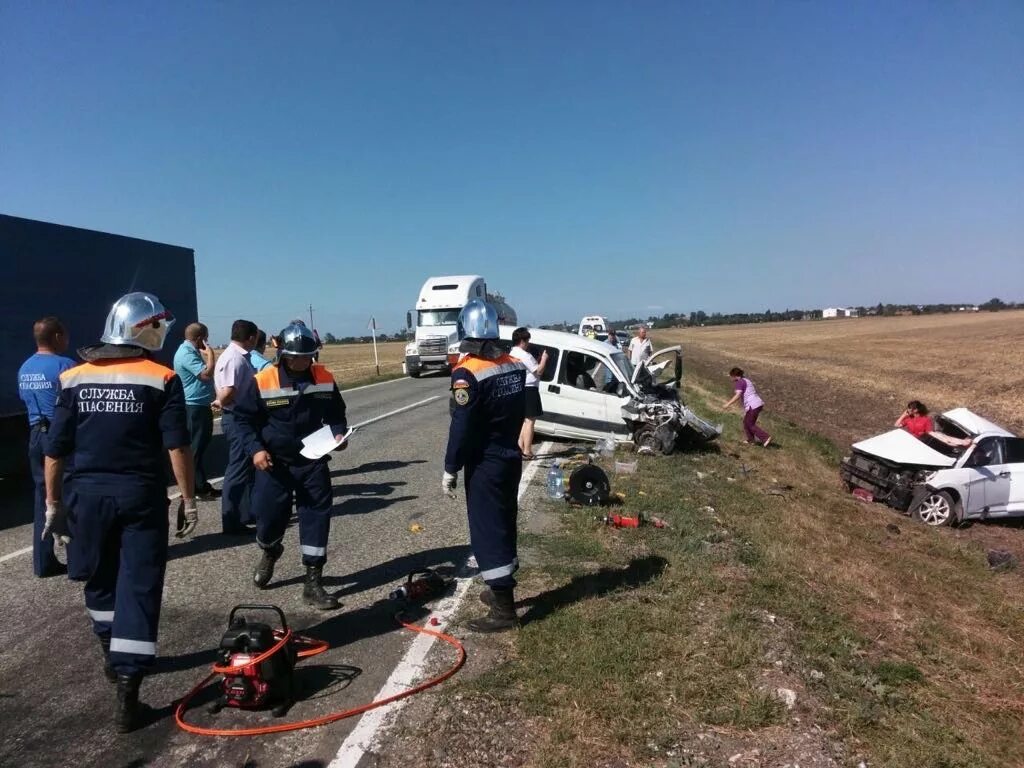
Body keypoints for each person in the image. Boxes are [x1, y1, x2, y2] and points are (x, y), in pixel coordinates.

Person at [43, 292, 196, 732]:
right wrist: (187, 499)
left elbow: (54, 452)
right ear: (144, 329)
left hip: (85, 495)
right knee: (139, 582)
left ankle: (111, 651)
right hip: (139, 494)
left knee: (98, 575)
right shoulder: (162, 378)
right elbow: (176, 446)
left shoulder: (72, 378)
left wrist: (53, 504)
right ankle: (128, 688)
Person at [234, 322, 348, 610]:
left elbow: (337, 413)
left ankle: (313, 581)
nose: (306, 361)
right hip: (274, 464)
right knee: (268, 517)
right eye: (299, 356)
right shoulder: (263, 380)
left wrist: (338, 433)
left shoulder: (323, 377)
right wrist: (256, 450)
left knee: (317, 518)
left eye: (310, 355)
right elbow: (243, 421)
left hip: (313, 462)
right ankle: (270, 550)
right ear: (284, 355)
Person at [442, 299, 527, 632]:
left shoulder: (467, 373)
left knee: (487, 528)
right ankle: (501, 590)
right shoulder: (514, 365)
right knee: (505, 520)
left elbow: (461, 426)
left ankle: (504, 609)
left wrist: (451, 467)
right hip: (509, 455)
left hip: (485, 461)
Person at [17, 316, 77, 577]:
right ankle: (78, 561)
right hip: (59, 434)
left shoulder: (25, 367)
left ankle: (43, 562)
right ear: (56, 337)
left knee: (44, 497)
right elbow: (75, 401)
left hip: (35, 434)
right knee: (71, 494)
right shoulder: (65, 365)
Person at [214, 319, 258, 534]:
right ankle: (231, 520)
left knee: (245, 468)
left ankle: (246, 512)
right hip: (236, 417)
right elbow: (229, 390)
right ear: (251, 337)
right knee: (238, 469)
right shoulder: (234, 359)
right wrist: (220, 402)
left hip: (241, 416)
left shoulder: (236, 356)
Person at [173, 323, 219, 500]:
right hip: (194, 406)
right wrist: (211, 355)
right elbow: (206, 374)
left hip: (199, 404)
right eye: (205, 338)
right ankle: (197, 487)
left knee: (199, 446)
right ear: (199, 338)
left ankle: (200, 484)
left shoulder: (190, 351)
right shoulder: (186, 353)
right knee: (195, 448)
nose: (207, 342)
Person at [508, 327, 549, 460]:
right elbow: (538, 371)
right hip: (530, 388)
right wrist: (544, 359)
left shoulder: (512, 353)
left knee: (524, 421)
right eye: (527, 341)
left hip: (519, 387)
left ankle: (519, 446)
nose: (528, 344)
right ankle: (527, 450)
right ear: (522, 341)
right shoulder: (525, 355)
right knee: (530, 421)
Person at [722, 367, 772, 447]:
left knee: (749, 423)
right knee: (746, 422)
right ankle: (751, 440)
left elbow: (738, 395)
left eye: (731, 376)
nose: (730, 378)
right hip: (757, 404)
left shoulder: (740, 382)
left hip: (753, 405)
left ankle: (765, 437)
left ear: (735, 375)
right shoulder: (746, 380)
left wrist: (727, 404)